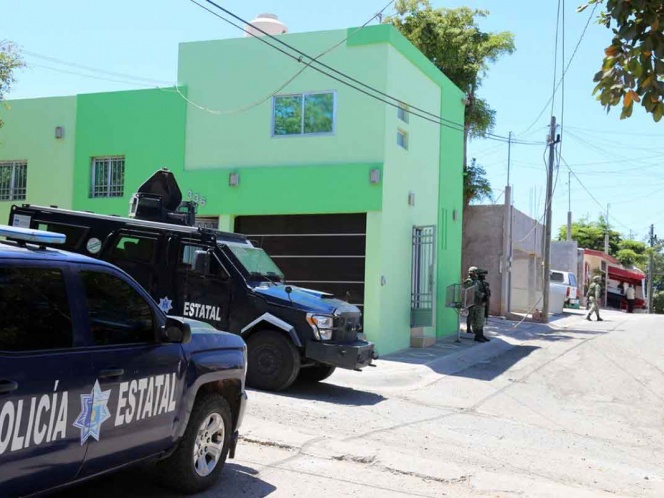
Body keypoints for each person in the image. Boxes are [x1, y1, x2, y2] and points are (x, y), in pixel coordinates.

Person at [463, 267, 478, 334]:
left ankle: (475, 328)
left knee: (475, 315)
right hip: (471, 301)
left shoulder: (476, 280)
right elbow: (468, 291)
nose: (476, 274)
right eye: (475, 272)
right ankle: (468, 328)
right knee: (471, 315)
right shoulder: (469, 281)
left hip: (476, 300)